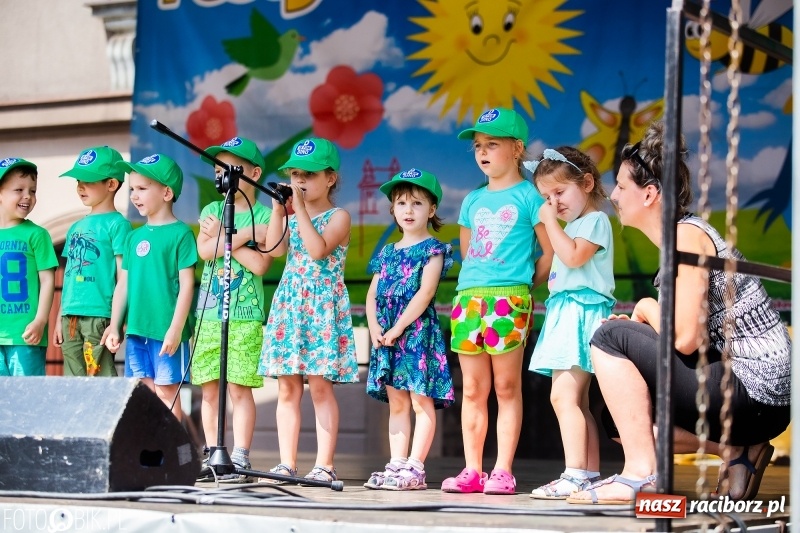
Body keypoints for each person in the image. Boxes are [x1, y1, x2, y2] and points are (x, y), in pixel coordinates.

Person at [567, 121, 791, 505]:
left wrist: (646, 308)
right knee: (619, 420)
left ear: (650, 193)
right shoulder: (678, 239)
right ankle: (735, 451)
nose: (615, 195)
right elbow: (691, 341)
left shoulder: (687, 236)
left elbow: (685, 337)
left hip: (757, 390)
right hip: (748, 395)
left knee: (608, 337)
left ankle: (640, 476)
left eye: (622, 186)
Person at [445, 108, 554, 494]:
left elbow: (549, 251)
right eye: (478, 146)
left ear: (518, 148)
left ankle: (503, 470)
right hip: (469, 299)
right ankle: (472, 470)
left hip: (510, 300)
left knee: (507, 387)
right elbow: (468, 253)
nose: (483, 152)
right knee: (473, 390)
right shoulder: (472, 201)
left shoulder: (531, 196)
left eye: (493, 144)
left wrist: (522, 287)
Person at [258, 137, 359, 484]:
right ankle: (286, 462)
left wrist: (298, 208)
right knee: (287, 388)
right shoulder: (292, 212)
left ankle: (324, 464)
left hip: (320, 306)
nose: (300, 181)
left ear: (330, 178)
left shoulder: (339, 216)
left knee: (319, 387)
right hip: (291, 302)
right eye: (295, 174)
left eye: (309, 175)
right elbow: (273, 249)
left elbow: (317, 250)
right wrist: (277, 209)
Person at [524, 147, 614, 498]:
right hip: (567, 311)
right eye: (546, 196)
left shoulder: (595, 221)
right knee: (575, 400)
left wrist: (547, 222)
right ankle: (587, 473)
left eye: (559, 193)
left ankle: (575, 474)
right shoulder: (576, 225)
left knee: (563, 397)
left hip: (581, 311)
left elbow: (574, 257)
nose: (552, 203)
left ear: (587, 183)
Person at [364, 168, 455, 491]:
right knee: (398, 403)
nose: (408, 210)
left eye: (417, 203)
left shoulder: (433, 249)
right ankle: (397, 464)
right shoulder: (388, 251)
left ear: (431, 210)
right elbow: (373, 293)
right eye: (401, 203)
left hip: (415, 334)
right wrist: (375, 326)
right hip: (387, 335)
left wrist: (399, 327)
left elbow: (425, 292)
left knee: (420, 401)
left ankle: (415, 468)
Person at [194, 137, 273, 482]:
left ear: (254, 173)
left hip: (244, 315)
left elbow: (260, 265)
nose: (222, 176)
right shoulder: (211, 211)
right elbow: (205, 251)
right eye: (218, 169)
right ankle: (213, 452)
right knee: (209, 389)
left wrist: (226, 237)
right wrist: (243, 235)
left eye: (232, 170)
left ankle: (240, 456)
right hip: (208, 314)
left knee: (239, 388)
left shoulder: (269, 214)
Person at [102, 154, 197, 420]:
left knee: (167, 392)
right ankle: (151, 455)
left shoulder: (181, 234)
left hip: (166, 330)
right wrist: (115, 324)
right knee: (143, 392)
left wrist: (176, 330)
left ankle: (174, 456)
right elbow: (124, 283)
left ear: (166, 192)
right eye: (132, 189)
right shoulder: (134, 237)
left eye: (142, 188)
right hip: (137, 330)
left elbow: (188, 285)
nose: (134, 195)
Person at [54, 146, 132, 377]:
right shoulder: (75, 227)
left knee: (100, 381)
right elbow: (68, 276)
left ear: (111, 184)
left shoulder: (118, 225)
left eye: (89, 180)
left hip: (100, 316)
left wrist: (116, 323)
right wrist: (60, 316)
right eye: (78, 179)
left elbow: (123, 278)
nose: (80, 186)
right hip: (71, 317)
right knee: (72, 383)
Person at [0, 158, 58, 376]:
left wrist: (41, 320)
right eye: (19, 189)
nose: (28, 196)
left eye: (32, 191)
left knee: (27, 398)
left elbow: (47, 280)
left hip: (25, 334)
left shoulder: (37, 234)